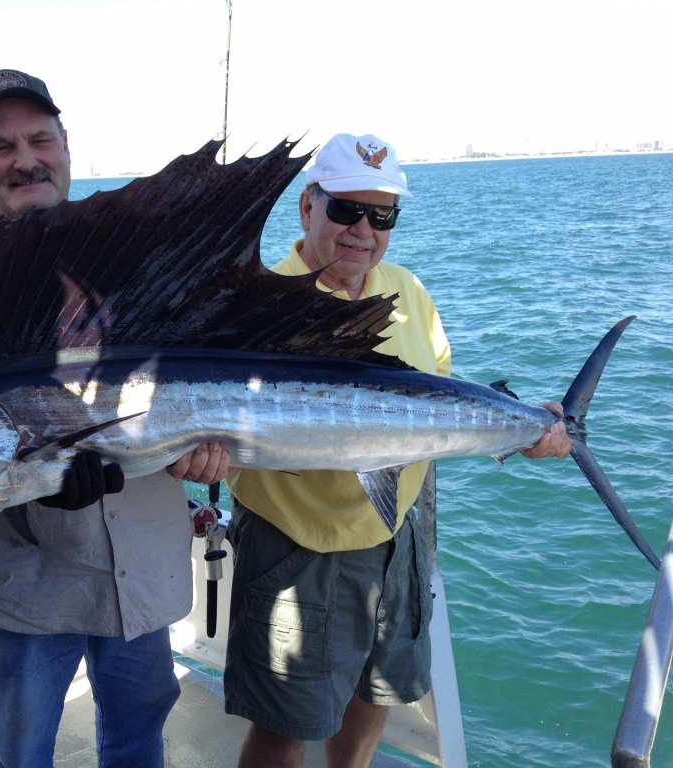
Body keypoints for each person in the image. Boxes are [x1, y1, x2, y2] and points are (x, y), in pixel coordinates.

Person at [0, 69, 229, 768]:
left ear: (66, 145)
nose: (25, 159)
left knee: (138, 742)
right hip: (26, 584)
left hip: (142, 568)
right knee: (21, 755)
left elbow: (221, 382)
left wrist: (215, 449)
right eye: (0, 146)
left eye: (39, 138)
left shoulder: (143, 258)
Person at [223, 132, 571, 768]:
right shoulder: (261, 302)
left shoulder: (407, 289)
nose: (363, 230)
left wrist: (525, 426)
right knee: (284, 727)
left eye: (382, 215)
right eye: (346, 210)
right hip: (297, 547)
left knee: (377, 692)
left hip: (394, 537)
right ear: (308, 207)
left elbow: (437, 400)